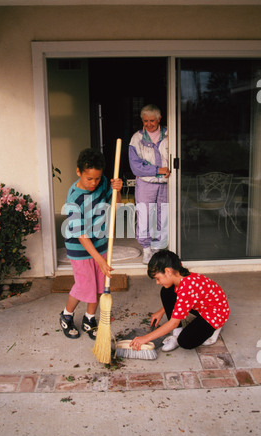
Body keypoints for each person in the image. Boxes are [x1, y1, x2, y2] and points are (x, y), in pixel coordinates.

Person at [60, 148, 122, 340]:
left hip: (101, 243)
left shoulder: (102, 183)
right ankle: (67, 315)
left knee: (99, 285)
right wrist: (100, 260)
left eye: (97, 178)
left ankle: (89, 318)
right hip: (81, 248)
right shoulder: (74, 199)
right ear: (78, 172)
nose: (94, 183)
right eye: (89, 179)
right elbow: (81, 235)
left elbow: (116, 206)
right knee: (84, 286)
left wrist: (117, 191)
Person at [130, 250, 230, 352]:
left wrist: (145, 338)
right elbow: (181, 300)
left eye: (158, 278)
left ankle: (216, 327)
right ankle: (176, 334)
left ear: (168, 271)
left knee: (185, 341)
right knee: (166, 291)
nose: (157, 282)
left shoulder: (188, 287)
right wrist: (161, 312)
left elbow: (173, 322)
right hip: (202, 306)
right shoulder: (181, 276)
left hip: (216, 312)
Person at [129, 104, 170, 264]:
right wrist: (158, 169)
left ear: (159, 119)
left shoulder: (169, 134)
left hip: (166, 184)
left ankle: (158, 249)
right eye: (145, 121)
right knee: (145, 216)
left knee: (164, 216)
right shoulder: (136, 139)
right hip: (145, 184)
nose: (149, 124)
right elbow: (136, 167)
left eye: (152, 120)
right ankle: (147, 250)